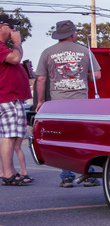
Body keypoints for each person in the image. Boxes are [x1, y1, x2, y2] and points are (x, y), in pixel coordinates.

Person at [35, 20, 102, 188]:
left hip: (58, 105)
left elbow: (41, 78)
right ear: (73, 34)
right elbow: (97, 75)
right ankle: (87, 175)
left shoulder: (47, 52)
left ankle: (66, 177)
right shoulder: (84, 51)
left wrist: (41, 101)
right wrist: (80, 78)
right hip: (81, 104)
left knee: (63, 140)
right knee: (82, 139)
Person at [0, 14, 33, 186]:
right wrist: (18, 43)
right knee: (9, 137)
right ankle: (7, 173)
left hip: (11, 97)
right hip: (8, 97)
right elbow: (14, 58)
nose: (14, 30)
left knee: (11, 137)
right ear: (1, 27)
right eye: (10, 27)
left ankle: (10, 170)